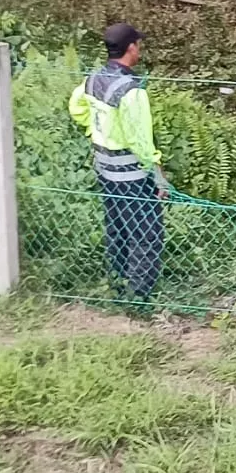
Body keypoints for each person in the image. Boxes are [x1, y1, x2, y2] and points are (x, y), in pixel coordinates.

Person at [67, 23, 168, 304]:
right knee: (146, 234)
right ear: (131, 48)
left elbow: (76, 107)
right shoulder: (131, 90)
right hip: (132, 175)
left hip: (104, 169)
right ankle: (139, 298)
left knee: (118, 229)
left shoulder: (93, 78)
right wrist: (158, 175)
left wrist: (95, 130)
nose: (140, 49)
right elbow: (141, 141)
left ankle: (118, 283)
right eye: (138, 44)